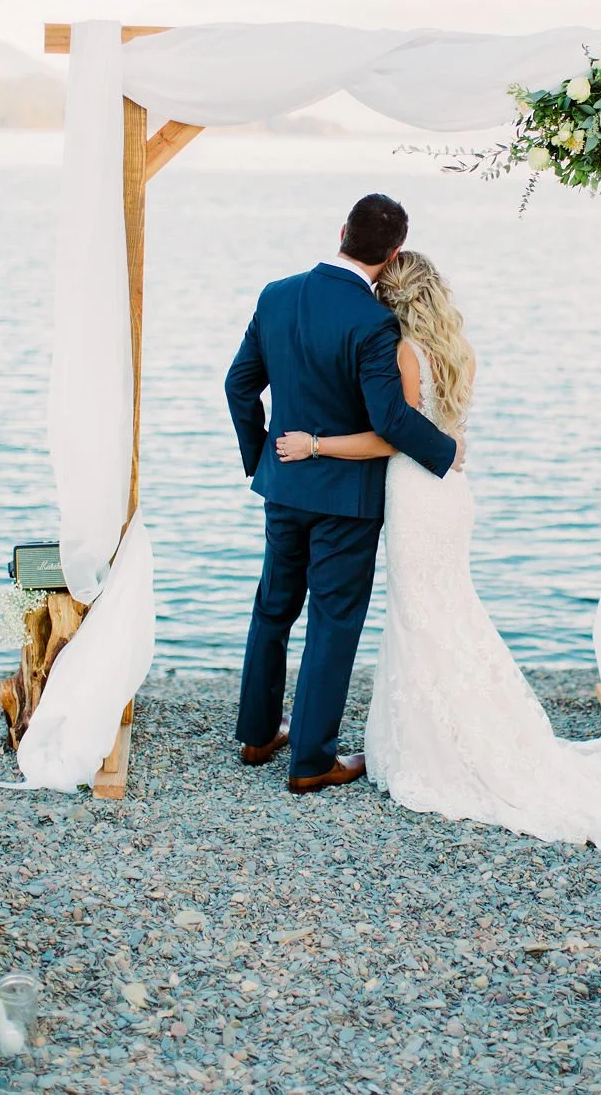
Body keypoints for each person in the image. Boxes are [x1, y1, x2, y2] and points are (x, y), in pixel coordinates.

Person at [275, 250, 601, 854]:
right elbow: (447, 432)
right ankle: (444, 733)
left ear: (393, 298)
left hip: (416, 493)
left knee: (421, 613)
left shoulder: (401, 353)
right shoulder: (460, 351)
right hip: (451, 495)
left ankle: (432, 746)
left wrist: (316, 444)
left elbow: (392, 437)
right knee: (445, 608)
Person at [225, 195, 465, 796]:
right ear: (391, 254)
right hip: (346, 502)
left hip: (283, 483)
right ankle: (310, 761)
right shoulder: (374, 322)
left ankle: (257, 736)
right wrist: (444, 452)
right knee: (333, 623)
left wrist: (260, 457)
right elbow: (390, 419)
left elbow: (239, 386)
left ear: (340, 233)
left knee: (273, 606)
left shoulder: (276, 294)